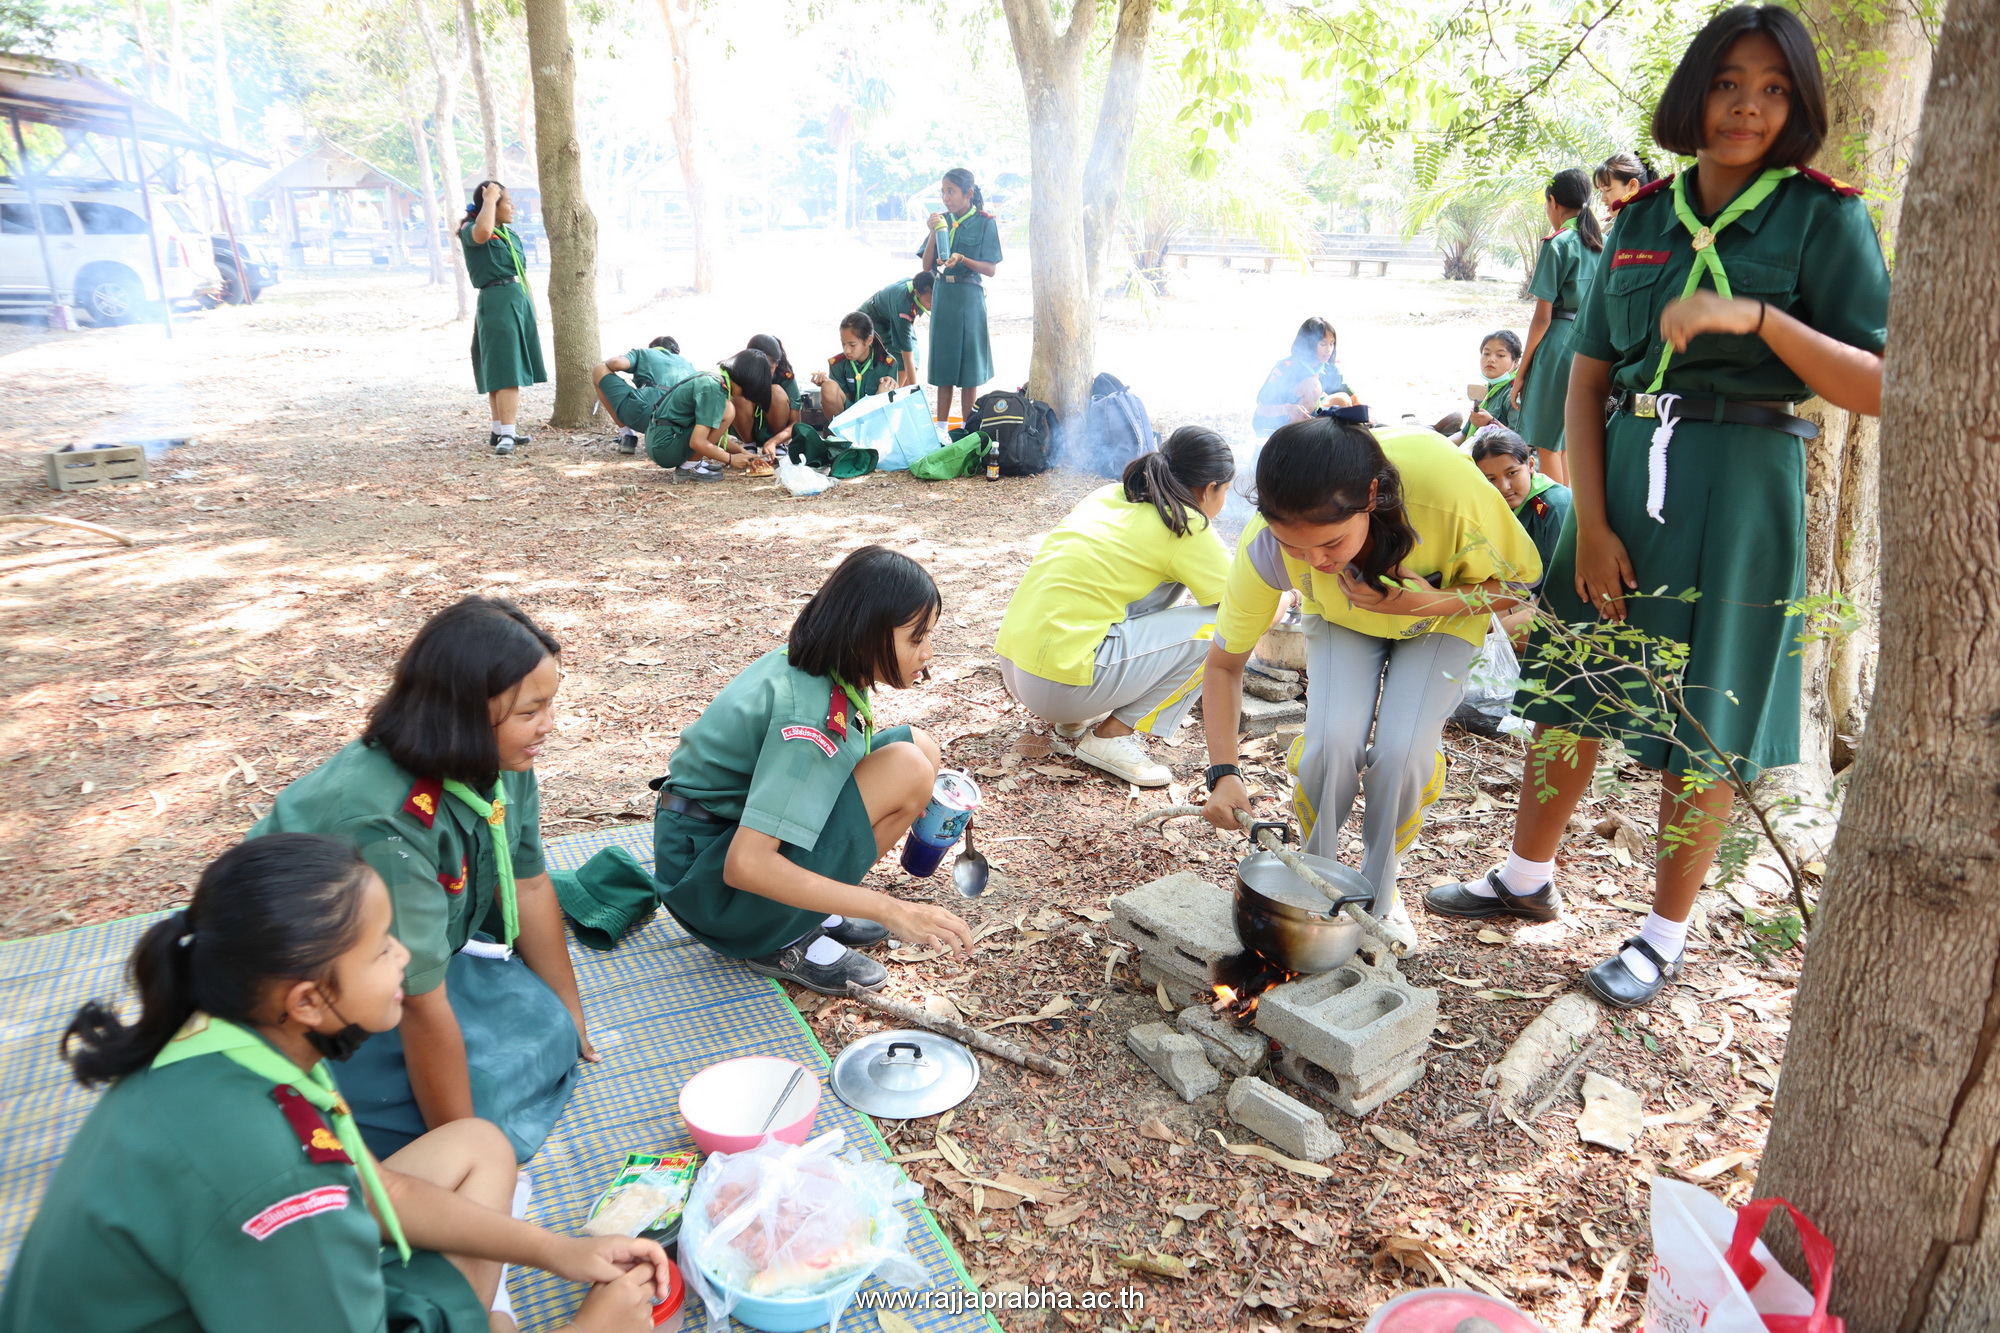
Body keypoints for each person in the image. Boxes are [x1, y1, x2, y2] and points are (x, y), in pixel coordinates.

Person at [1425, 5, 1889, 1009]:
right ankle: (1525, 876)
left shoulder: (1823, 217)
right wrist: (1591, 524)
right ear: (1694, 92)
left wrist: (1758, 318)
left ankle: (1661, 934)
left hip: (1746, 481)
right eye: (1727, 82)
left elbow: (1879, 382)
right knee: (1571, 687)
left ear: (1798, 103)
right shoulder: (1641, 218)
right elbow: (1589, 377)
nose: (1747, 106)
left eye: (1772, 88)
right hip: (1626, 469)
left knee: (1706, 715)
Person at [0, 834, 667, 1333]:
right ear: (308, 1000)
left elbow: (379, 1189)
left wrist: (560, 1251)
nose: (404, 954)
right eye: (381, 947)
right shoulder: (280, 1178)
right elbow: (310, 1198)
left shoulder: (232, 1037)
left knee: (478, 1144)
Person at [251, 598, 589, 1162]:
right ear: (464, 716)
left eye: (550, 704)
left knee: (552, 1028)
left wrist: (571, 1013)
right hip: (306, 999)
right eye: (531, 711)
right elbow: (417, 1003)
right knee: (474, 1103)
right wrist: (463, 1157)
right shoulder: (386, 824)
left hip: (399, 968)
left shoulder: (499, 763)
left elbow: (528, 883)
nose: (548, 725)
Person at [1200, 411, 1541, 917]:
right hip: (1342, 618)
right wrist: (1224, 772)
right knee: (1330, 745)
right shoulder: (1266, 544)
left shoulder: (1448, 493)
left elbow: (1518, 585)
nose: (1317, 562)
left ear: (1372, 495)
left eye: (1332, 543)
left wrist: (1423, 602)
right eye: (1296, 548)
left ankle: (1380, 894)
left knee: (1403, 754)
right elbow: (1224, 665)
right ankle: (1317, 882)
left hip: (1442, 616)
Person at [652, 546, 978, 994]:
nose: (928, 653)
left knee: (920, 748)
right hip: (712, 891)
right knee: (907, 770)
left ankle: (807, 906)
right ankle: (780, 934)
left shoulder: (823, 664)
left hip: (712, 841)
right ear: (866, 634)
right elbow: (746, 864)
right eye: (916, 638)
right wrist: (890, 909)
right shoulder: (808, 718)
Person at [996, 427, 1237, 788]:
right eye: (1226, 492)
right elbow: (1246, 610)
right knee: (1221, 630)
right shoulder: (1185, 524)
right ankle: (1111, 736)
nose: (1225, 503)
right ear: (1209, 488)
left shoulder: (1109, 494)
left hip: (1016, 665)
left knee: (1145, 591)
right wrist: (1290, 596)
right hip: (1058, 687)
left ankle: (1074, 718)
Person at [1513, 169, 1606, 485]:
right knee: (1567, 442)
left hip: (1558, 345)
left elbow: (1542, 318)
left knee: (1547, 444)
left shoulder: (1558, 244)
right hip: (1592, 344)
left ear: (1553, 202)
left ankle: (1556, 512)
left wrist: (1521, 372)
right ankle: (1572, 511)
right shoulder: (1604, 243)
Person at [460, 182, 546, 456]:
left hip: (516, 301)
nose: (513, 207)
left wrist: (530, 307)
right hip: (497, 301)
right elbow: (483, 232)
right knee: (507, 371)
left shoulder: (510, 234)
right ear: (491, 206)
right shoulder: (471, 230)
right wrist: (490, 198)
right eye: (507, 202)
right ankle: (508, 434)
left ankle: (499, 430)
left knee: (503, 367)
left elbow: (520, 272)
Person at [918, 168, 1003, 425]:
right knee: (944, 363)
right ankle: (941, 427)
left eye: (951, 191)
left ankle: (966, 427)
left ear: (968, 193)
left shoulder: (984, 221)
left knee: (969, 369)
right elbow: (926, 265)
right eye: (943, 192)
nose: (946, 198)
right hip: (944, 295)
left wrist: (963, 258)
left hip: (970, 296)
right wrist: (933, 233)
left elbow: (990, 269)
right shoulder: (941, 220)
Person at [635, 350, 774, 481]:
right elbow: (697, 441)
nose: (744, 397)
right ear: (747, 382)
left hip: (660, 439)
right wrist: (731, 459)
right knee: (728, 409)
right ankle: (688, 467)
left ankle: (694, 463)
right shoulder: (713, 388)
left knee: (726, 408)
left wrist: (742, 452)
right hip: (665, 447)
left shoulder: (713, 377)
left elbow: (710, 433)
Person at [593, 336, 695, 457]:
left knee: (600, 369)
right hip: (680, 423)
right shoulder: (688, 365)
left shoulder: (644, 353)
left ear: (652, 347)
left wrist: (607, 362)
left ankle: (627, 435)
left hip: (644, 413)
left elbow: (617, 363)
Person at [1253, 317, 1350, 437]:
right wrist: (1288, 409)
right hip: (1276, 424)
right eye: (1323, 344)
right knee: (1313, 385)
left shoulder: (1328, 368)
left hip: (1307, 419)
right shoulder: (1286, 367)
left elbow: (1352, 398)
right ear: (1309, 343)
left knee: (1343, 399)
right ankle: (1291, 439)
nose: (1329, 350)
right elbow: (1262, 409)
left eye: (1332, 343)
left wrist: (1367, 414)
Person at [732, 335, 800, 474]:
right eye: (758, 368)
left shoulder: (786, 378)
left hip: (775, 434)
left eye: (768, 368)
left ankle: (778, 447)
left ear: (776, 363)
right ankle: (749, 445)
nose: (763, 373)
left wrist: (774, 441)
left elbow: (795, 423)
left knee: (776, 391)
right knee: (738, 396)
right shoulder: (739, 374)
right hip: (745, 430)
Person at [812, 312, 898, 418]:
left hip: (874, 415)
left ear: (869, 340)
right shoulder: (838, 364)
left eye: (852, 345)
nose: (846, 350)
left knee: (886, 387)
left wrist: (892, 388)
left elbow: (893, 406)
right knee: (828, 386)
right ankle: (837, 429)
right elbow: (838, 398)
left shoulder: (887, 364)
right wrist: (825, 381)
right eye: (843, 343)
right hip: (846, 417)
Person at [858, 272, 935, 387]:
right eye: (929, 301)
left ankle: (903, 392)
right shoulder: (904, 308)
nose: (934, 304)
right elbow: (906, 355)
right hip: (873, 318)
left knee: (914, 357)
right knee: (900, 360)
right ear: (917, 293)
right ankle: (894, 393)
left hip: (891, 316)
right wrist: (915, 391)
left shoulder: (916, 285)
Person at [1455, 330, 1521, 442]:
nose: (1491, 359)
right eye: (1486, 353)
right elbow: (1464, 434)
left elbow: (1523, 445)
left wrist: (1491, 423)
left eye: (1500, 355)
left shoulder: (1515, 394)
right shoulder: (1486, 391)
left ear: (1515, 361)